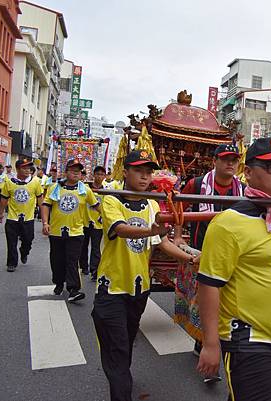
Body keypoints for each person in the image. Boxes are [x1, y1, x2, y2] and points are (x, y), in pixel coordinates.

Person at [197, 137, 271, 401]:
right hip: (248, 339)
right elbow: (209, 284)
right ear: (247, 172)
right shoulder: (229, 224)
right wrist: (210, 343)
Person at [91, 150, 197, 401]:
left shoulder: (151, 204)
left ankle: (121, 377)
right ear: (125, 171)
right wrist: (150, 229)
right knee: (117, 347)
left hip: (139, 289)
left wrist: (191, 259)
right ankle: (121, 391)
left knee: (125, 343)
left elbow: (161, 242)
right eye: (139, 170)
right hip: (111, 289)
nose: (144, 176)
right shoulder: (111, 200)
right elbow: (121, 229)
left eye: (149, 172)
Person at [176, 143, 243, 382]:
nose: (230, 163)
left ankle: (210, 342)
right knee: (203, 302)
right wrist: (176, 235)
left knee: (225, 303)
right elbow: (179, 208)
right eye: (225, 159)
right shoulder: (196, 185)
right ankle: (205, 344)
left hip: (230, 255)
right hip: (200, 252)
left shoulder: (242, 189)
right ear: (214, 161)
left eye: (234, 159)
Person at [41, 158, 99, 302]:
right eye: (72, 170)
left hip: (76, 232)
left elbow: (97, 206)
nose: (76, 173)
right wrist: (45, 223)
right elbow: (46, 205)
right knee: (57, 259)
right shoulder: (55, 188)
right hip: (56, 231)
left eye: (78, 171)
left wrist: (110, 219)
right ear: (66, 172)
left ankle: (73, 289)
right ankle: (59, 283)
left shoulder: (85, 190)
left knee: (72, 261)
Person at [0, 159, 43, 272]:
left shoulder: (35, 182)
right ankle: (12, 263)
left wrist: (43, 216)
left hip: (28, 218)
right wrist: (1, 213)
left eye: (29, 168)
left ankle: (24, 251)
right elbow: (4, 199)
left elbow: (40, 199)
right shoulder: (9, 182)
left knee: (28, 239)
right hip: (12, 218)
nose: (27, 170)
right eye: (24, 168)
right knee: (11, 241)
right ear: (17, 169)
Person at [80, 166, 107, 280]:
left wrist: (103, 217)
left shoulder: (107, 191)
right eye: (98, 174)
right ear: (93, 175)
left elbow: (106, 207)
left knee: (96, 248)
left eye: (102, 174)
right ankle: (84, 266)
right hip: (84, 222)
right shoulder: (85, 188)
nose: (99, 177)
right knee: (83, 246)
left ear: (104, 177)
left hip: (98, 223)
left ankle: (94, 270)